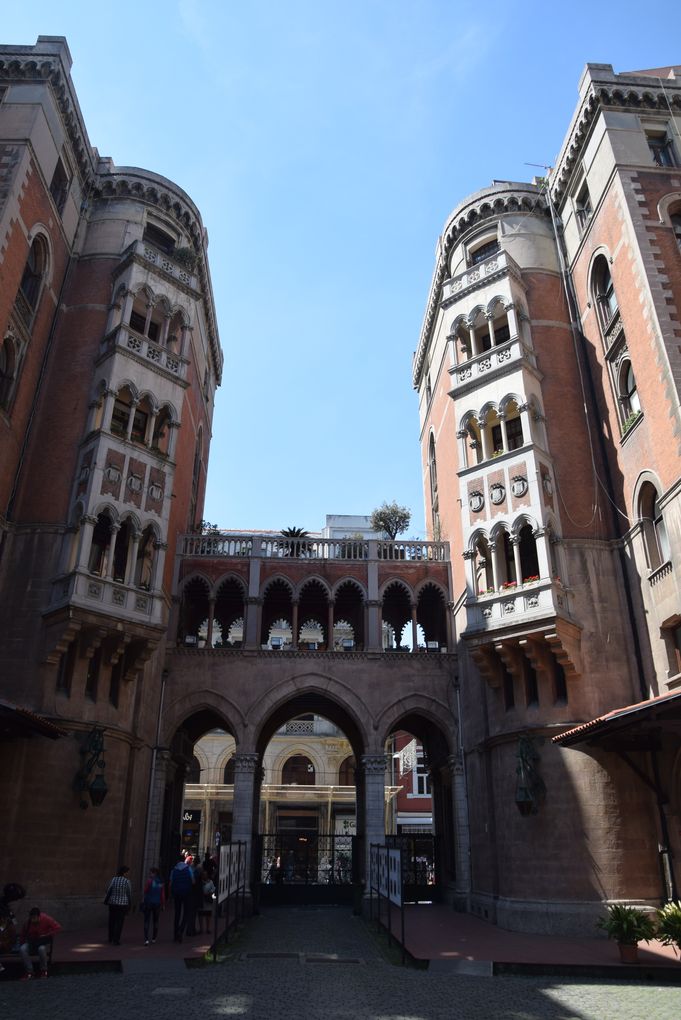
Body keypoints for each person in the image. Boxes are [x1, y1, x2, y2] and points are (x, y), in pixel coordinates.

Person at [18, 907, 61, 979]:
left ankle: (44, 970)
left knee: (41, 949)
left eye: (35, 918)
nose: (33, 920)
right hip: (31, 942)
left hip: (42, 941)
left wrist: (47, 935)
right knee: (22, 949)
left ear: (39, 916)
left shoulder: (46, 919)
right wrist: (22, 943)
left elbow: (58, 927)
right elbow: (23, 934)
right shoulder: (28, 922)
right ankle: (30, 971)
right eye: (32, 918)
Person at [104, 865, 132, 946]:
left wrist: (107, 899)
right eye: (128, 872)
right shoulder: (127, 881)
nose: (128, 874)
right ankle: (116, 939)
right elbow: (129, 893)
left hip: (112, 902)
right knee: (119, 922)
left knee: (111, 920)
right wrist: (129, 904)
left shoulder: (114, 879)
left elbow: (108, 889)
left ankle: (110, 937)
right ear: (125, 873)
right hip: (122, 904)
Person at [170, 852, 194, 942]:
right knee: (186, 912)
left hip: (177, 893)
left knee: (177, 913)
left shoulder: (174, 870)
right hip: (186, 893)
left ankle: (175, 934)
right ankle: (181, 930)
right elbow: (193, 881)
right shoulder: (188, 869)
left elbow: (171, 882)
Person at [141, 867, 165, 945]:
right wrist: (163, 904)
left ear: (154, 873)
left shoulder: (149, 881)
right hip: (157, 903)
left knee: (147, 921)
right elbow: (162, 895)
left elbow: (145, 891)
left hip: (148, 902)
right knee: (156, 921)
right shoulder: (161, 882)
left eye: (151, 873)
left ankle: (146, 939)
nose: (150, 874)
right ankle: (154, 938)